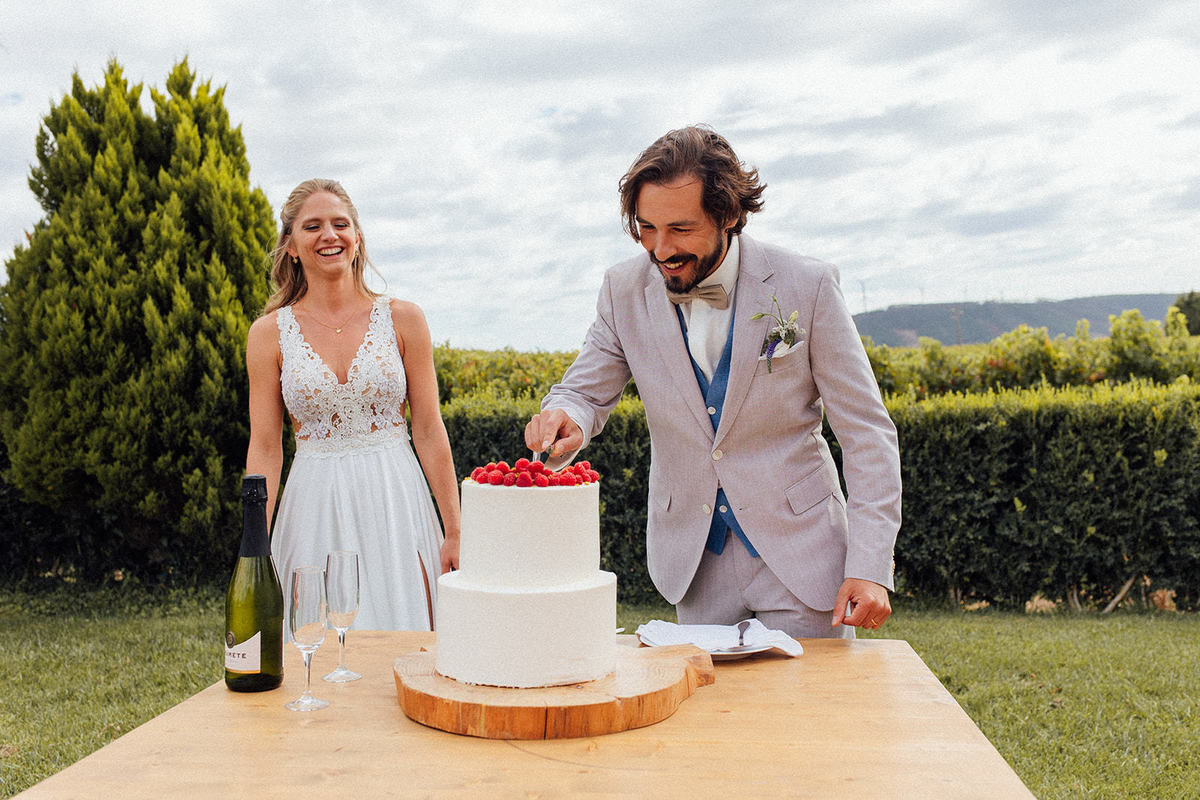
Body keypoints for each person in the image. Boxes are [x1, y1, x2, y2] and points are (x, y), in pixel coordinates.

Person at [525, 127, 901, 639]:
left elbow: (867, 433)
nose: (661, 250)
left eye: (680, 229)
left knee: (812, 716)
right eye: (646, 228)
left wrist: (871, 565)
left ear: (728, 215)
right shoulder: (623, 290)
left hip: (803, 556)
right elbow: (584, 392)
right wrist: (568, 415)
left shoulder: (805, 286)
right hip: (694, 563)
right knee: (708, 715)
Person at [246, 178, 460, 631]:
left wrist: (455, 529)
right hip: (313, 502)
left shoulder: (404, 319)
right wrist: (254, 544)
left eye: (341, 224)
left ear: (357, 238)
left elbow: (427, 428)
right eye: (312, 226)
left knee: (407, 640)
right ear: (290, 246)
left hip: (395, 499)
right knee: (315, 643)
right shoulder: (268, 334)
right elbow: (265, 446)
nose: (329, 235)